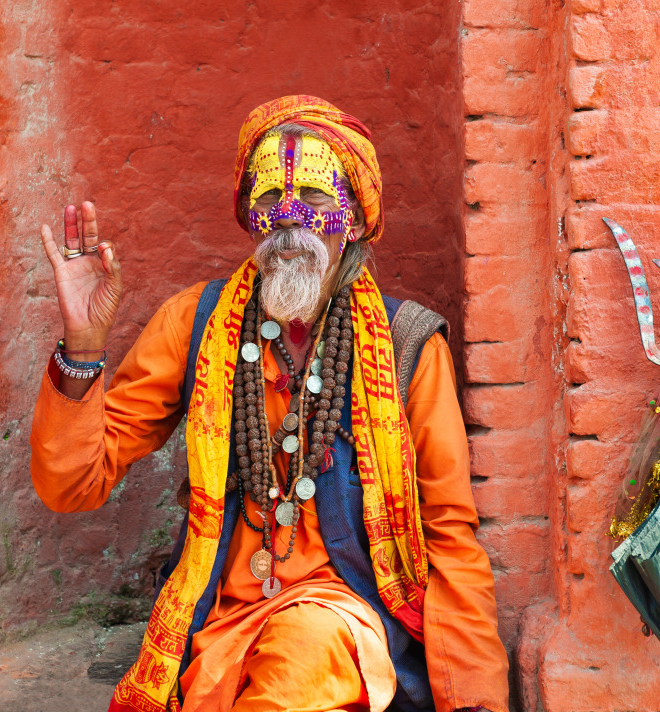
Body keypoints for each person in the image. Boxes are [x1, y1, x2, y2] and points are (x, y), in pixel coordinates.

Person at [30, 95, 509, 712]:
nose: (288, 220)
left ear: (357, 220)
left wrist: (474, 702)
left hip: (341, 617)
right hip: (221, 623)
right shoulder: (194, 325)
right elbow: (71, 485)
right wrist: (82, 346)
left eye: (312, 199)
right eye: (266, 202)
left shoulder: (409, 344)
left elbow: (449, 534)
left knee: (298, 656)